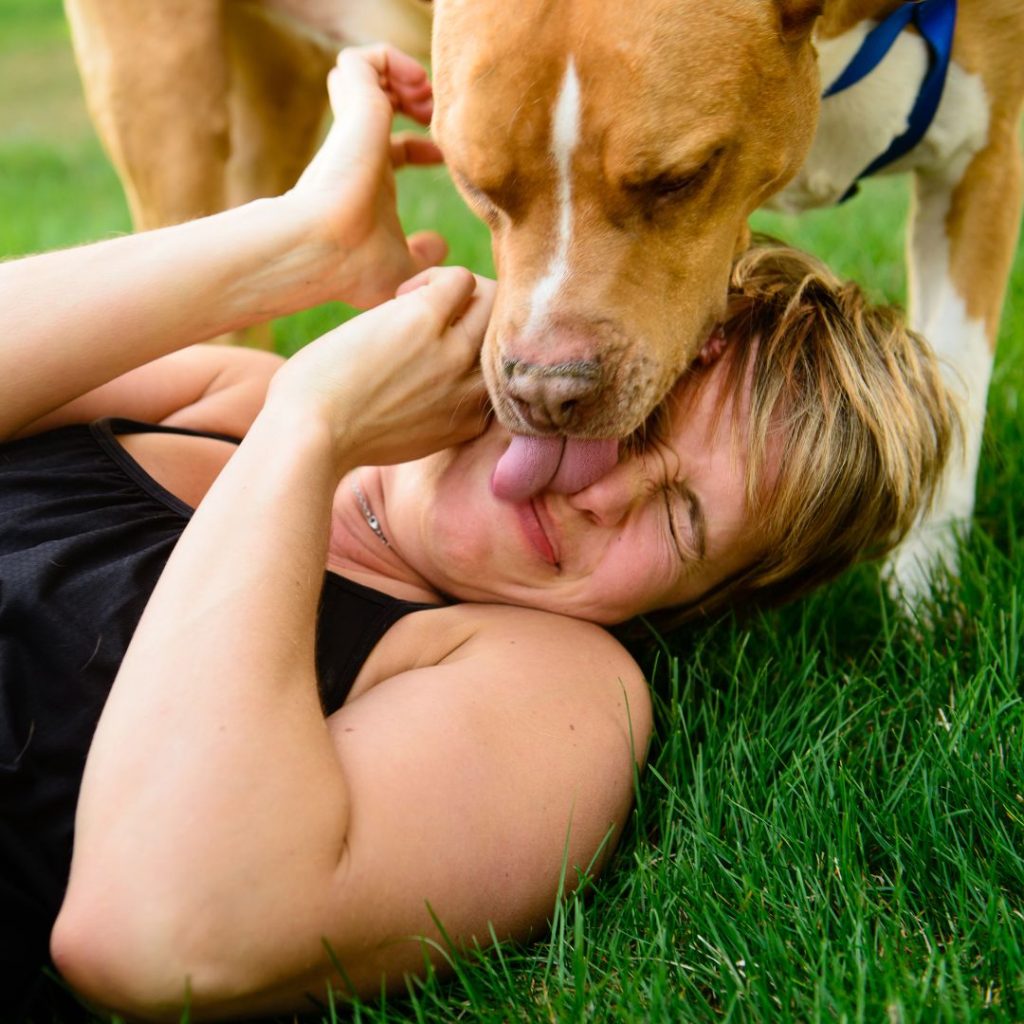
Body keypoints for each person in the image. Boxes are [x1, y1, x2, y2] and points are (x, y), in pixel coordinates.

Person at [0, 45, 957, 1022]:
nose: (604, 494)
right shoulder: (226, 397)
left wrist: (315, 427)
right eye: (635, 415)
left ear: (695, 602)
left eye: (680, 520)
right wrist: (292, 243)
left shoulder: (551, 690)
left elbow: (160, 936)